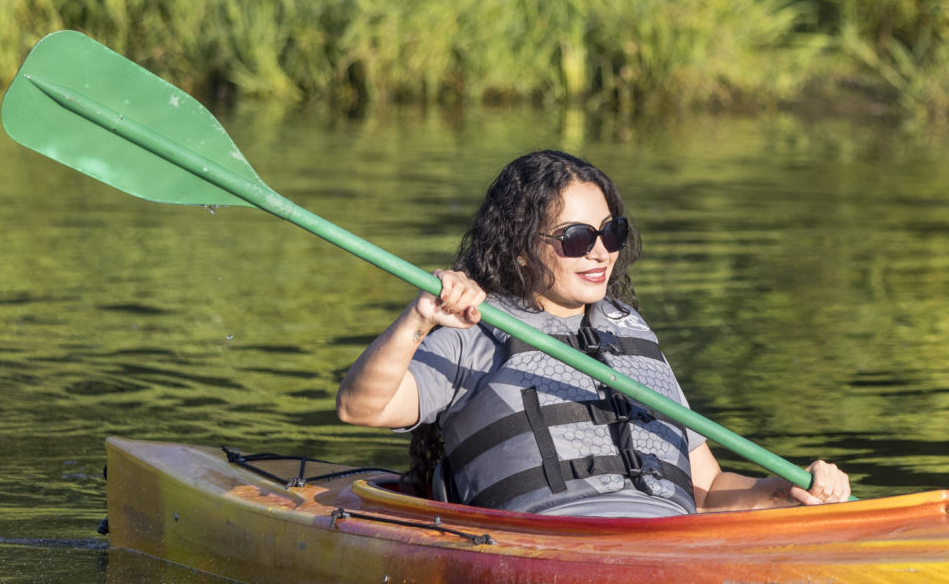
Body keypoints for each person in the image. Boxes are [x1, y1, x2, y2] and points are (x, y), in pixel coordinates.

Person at [337, 150, 850, 516]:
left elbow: (708, 489)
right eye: (577, 238)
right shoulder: (476, 327)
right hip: (555, 550)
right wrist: (420, 319)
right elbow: (361, 408)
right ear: (520, 249)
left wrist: (781, 489)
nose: (601, 252)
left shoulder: (631, 333)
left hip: (674, 546)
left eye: (612, 233)